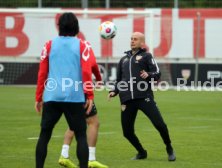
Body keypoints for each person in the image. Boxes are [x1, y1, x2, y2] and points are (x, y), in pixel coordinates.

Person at [35, 12, 94, 168]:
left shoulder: (48, 44)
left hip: (52, 96)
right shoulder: (82, 45)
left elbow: (42, 73)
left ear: (59, 26)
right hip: (74, 96)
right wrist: (90, 94)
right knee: (81, 135)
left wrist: (38, 97)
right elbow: (87, 72)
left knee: (44, 135)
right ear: (76, 26)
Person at [108, 32, 176, 161]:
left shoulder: (147, 56)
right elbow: (119, 80)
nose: (132, 41)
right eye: (131, 38)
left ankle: (169, 147)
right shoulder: (123, 60)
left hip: (144, 97)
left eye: (136, 39)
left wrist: (148, 74)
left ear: (142, 43)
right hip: (127, 100)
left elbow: (157, 73)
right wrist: (114, 91)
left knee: (160, 124)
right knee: (127, 132)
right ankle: (141, 152)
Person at [59, 62, 108, 168]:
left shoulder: (66, 52)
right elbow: (92, 66)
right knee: (94, 122)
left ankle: (64, 155)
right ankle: (91, 159)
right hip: (80, 91)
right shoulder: (84, 48)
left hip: (66, 90)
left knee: (74, 123)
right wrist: (99, 80)